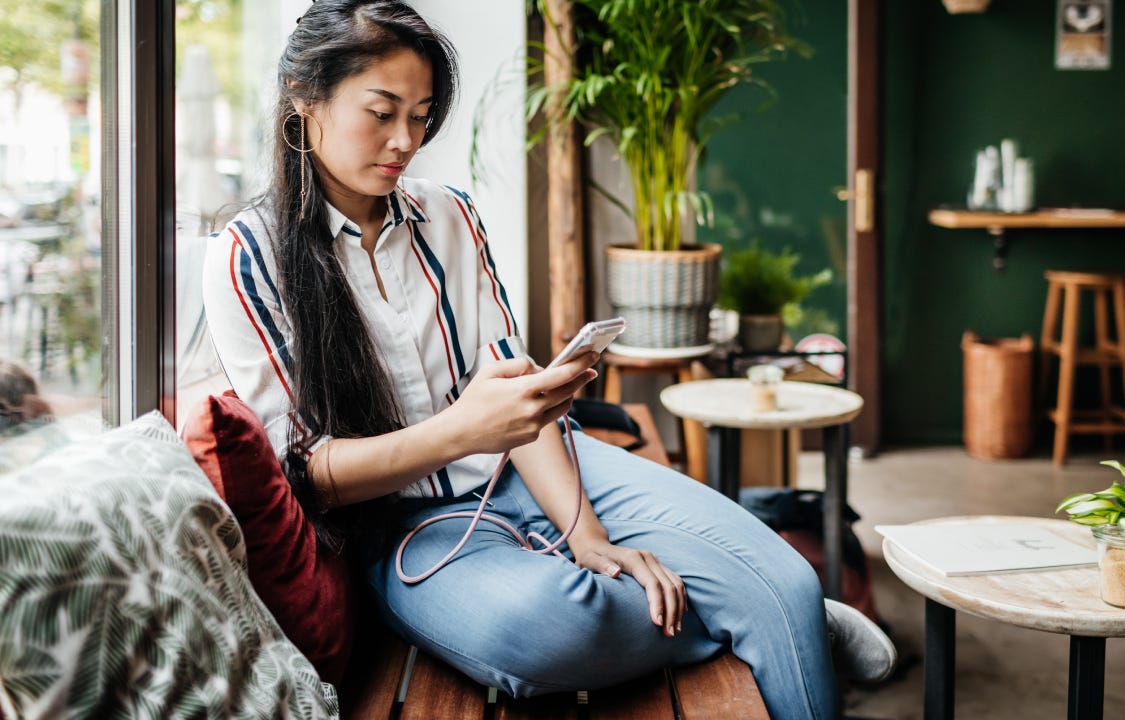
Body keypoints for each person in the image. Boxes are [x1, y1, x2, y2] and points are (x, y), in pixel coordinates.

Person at [201, 2, 895, 718]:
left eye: (421, 114)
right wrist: (463, 431)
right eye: (382, 112)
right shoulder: (248, 257)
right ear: (303, 97)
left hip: (541, 467)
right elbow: (307, 473)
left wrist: (585, 534)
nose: (405, 140)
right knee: (558, 626)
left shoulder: (450, 216)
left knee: (786, 577)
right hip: (410, 530)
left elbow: (516, 395)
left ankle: (784, 611)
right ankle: (767, 620)